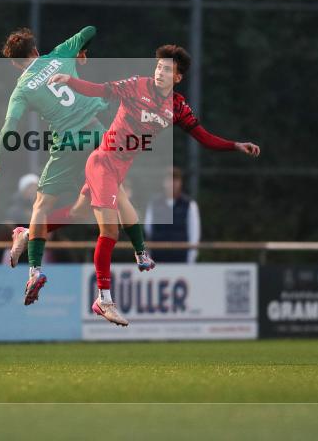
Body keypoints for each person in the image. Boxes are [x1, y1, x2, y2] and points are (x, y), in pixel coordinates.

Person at [50, 45, 260, 326]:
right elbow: (100, 89)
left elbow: (203, 136)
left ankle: (28, 232)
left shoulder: (177, 106)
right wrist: (70, 81)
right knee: (110, 231)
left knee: (78, 214)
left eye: (167, 69)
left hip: (120, 168)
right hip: (103, 162)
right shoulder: (136, 86)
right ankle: (104, 299)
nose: (160, 72)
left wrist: (235, 145)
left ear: (178, 78)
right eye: (159, 66)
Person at [0, 26, 150, 306]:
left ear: (15, 63)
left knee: (43, 206)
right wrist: (80, 49)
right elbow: (90, 29)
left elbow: (9, 127)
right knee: (113, 198)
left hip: (68, 145)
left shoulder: (22, 89)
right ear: (36, 51)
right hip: (97, 135)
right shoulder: (60, 54)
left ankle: (34, 270)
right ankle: (141, 253)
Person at [144, 167, 200, 263]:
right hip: (157, 258)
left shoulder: (190, 205)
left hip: (181, 258)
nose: (172, 183)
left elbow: (194, 233)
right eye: (169, 180)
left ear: (180, 183)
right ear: (163, 183)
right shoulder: (154, 204)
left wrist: (191, 258)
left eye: (176, 180)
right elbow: (148, 229)